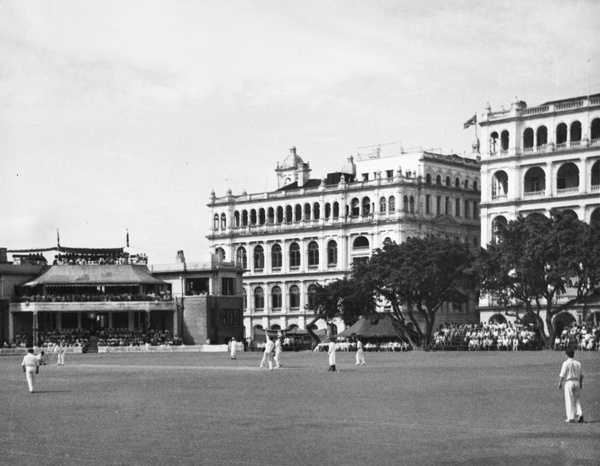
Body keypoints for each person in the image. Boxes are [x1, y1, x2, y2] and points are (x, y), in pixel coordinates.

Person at [558, 349, 584, 423]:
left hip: (569, 382)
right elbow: (582, 375)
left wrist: (560, 383)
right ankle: (580, 413)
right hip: (576, 382)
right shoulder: (578, 363)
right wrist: (581, 383)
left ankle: (571, 418)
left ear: (567, 355)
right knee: (577, 399)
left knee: (569, 399)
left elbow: (562, 375)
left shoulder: (565, 363)